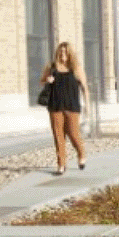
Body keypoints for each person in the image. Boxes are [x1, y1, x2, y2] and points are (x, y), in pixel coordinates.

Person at [40, 41, 89, 175]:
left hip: (72, 106)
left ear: (70, 53)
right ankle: (61, 164)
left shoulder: (76, 68)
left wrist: (87, 107)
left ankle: (81, 153)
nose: (62, 54)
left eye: (65, 52)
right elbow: (42, 81)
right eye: (60, 52)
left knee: (73, 134)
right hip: (55, 105)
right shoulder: (51, 67)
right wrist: (47, 80)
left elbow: (85, 88)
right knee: (58, 136)